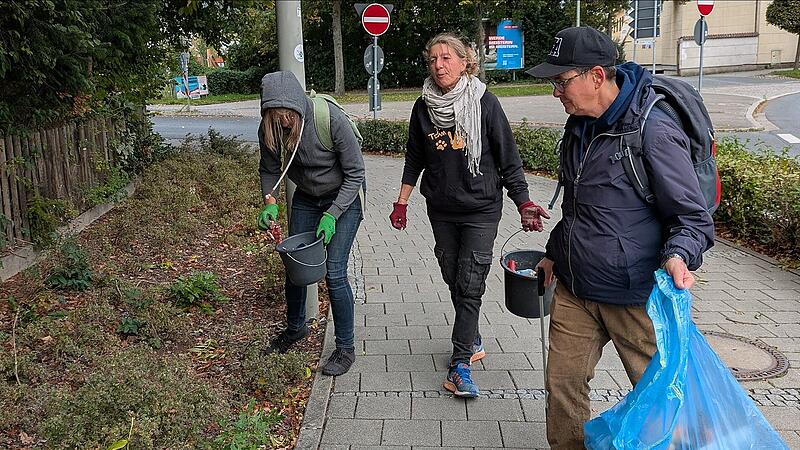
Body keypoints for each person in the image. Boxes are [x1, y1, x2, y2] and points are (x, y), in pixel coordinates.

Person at [527, 27, 715, 448]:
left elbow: (692, 218)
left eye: (562, 81)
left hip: (636, 297)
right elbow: (580, 206)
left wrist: (679, 255)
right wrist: (554, 253)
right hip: (576, 289)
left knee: (661, 402)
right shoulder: (579, 125)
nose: (556, 92)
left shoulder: (653, 130)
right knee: (562, 389)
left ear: (596, 75)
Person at [389, 33, 550, 398]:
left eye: (446, 58)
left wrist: (523, 203)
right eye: (432, 59)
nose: (438, 65)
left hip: (481, 209)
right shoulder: (422, 108)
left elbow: (509, 160)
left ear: (465, 63)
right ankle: (472, 335)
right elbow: (415, 157)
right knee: (453, 274)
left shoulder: (486, 104)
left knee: (471, 282)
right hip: (441, 209)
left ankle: (460, 363)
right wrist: (402, 202)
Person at [257, 71, 365, 377]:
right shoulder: (271, 128)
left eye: (288, 116)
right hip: (306, 197)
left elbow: (356, 172)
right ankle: (295, 329)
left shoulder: (328, 118)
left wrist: (333, 214)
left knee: (333, 272)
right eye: (277, 117)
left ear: (298, 106)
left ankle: (345, 348)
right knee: (296, 266)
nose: (284, 123)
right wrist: (270, 202)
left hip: (344, 198)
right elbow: (268, 169)